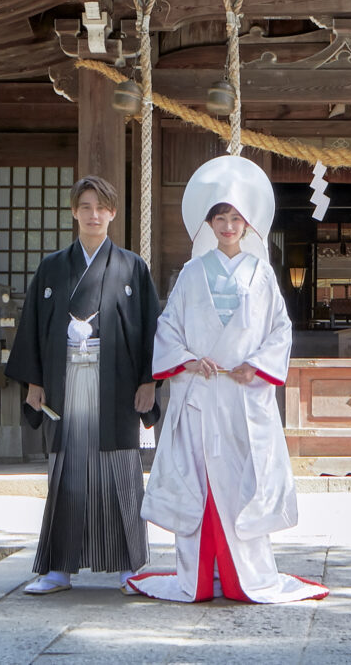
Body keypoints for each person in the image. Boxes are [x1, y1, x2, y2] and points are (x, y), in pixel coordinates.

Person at [125, 155, 326, 604]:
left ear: (247, 224)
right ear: (210, 224)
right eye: (221, 218)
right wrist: (189, 361)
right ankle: (196, 575)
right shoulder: (193, 273)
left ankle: (244, 576)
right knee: (198, 481)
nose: (228, 225)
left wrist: (255, 364)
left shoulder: (262, 274)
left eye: (235, 218)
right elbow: (168, 327)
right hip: (200, 392)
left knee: (242, 484)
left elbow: (280, 330)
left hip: (243, 394)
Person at [2, 173, 162, 595]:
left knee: (121, 471)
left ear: (113, 213)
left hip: (118, 384)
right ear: (74, 212)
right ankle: (58, 568)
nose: (94, 215)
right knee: (67, 471)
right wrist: (34, 382)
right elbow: (34, 328)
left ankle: (129, 565)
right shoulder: (54, 267)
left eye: (101, 207)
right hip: (65, 379)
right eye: (85, 207)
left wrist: (149, 381)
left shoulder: (132, 267)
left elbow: (150, 330)